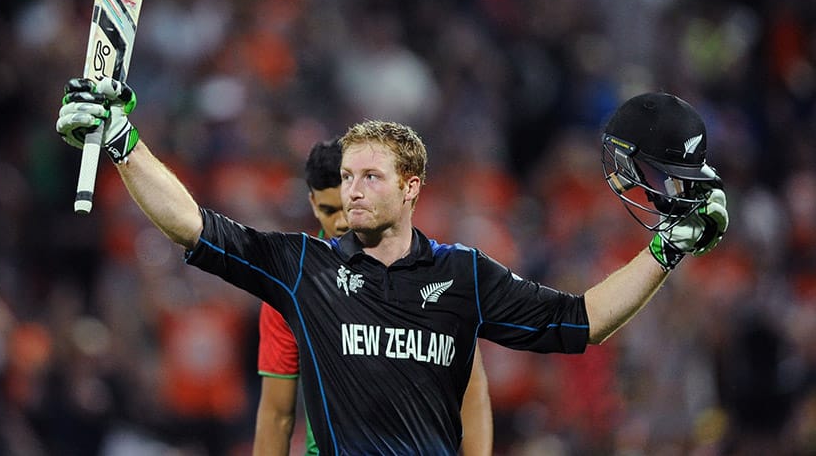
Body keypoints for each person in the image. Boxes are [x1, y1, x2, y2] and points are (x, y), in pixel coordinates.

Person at [56, 79, 729, 455]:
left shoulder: (464, 276)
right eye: (346, 176)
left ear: (410, 188)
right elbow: (191, 223)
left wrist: (664, 250)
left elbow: (580, 322)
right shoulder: (302, 268)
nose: (350, 190)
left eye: (369, 176)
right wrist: (124, 143)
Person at [253, 139, 493, 455]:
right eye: (328, 210)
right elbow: (276, 414)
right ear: (312, 203)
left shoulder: (432, 271)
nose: (341, 222)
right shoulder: (292, 285)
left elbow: (471, 392)